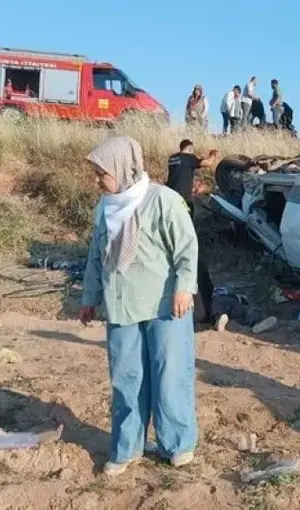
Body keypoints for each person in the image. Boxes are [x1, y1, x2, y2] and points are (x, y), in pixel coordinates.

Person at [79, 136, 199, 476]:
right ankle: (127, 447)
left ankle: (177, 444)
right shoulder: (104, 209)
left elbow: (186, 249)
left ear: (122, 168)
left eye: (101, 173)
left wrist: (184, 289)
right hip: (122, 308)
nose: (97, 180)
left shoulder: (163, 200)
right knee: (126, 379)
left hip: (165, 307)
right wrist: (89, 299)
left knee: (169, 376)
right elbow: (95, 258)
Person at [166, 140, 218, 219]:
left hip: (169, 194)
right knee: (188, 217)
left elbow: (184, 166)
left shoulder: (172, 158)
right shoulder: (189, 157)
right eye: (193, 150)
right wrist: (213, 154)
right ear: (190, 148)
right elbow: (209, 163)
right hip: (182, 196)